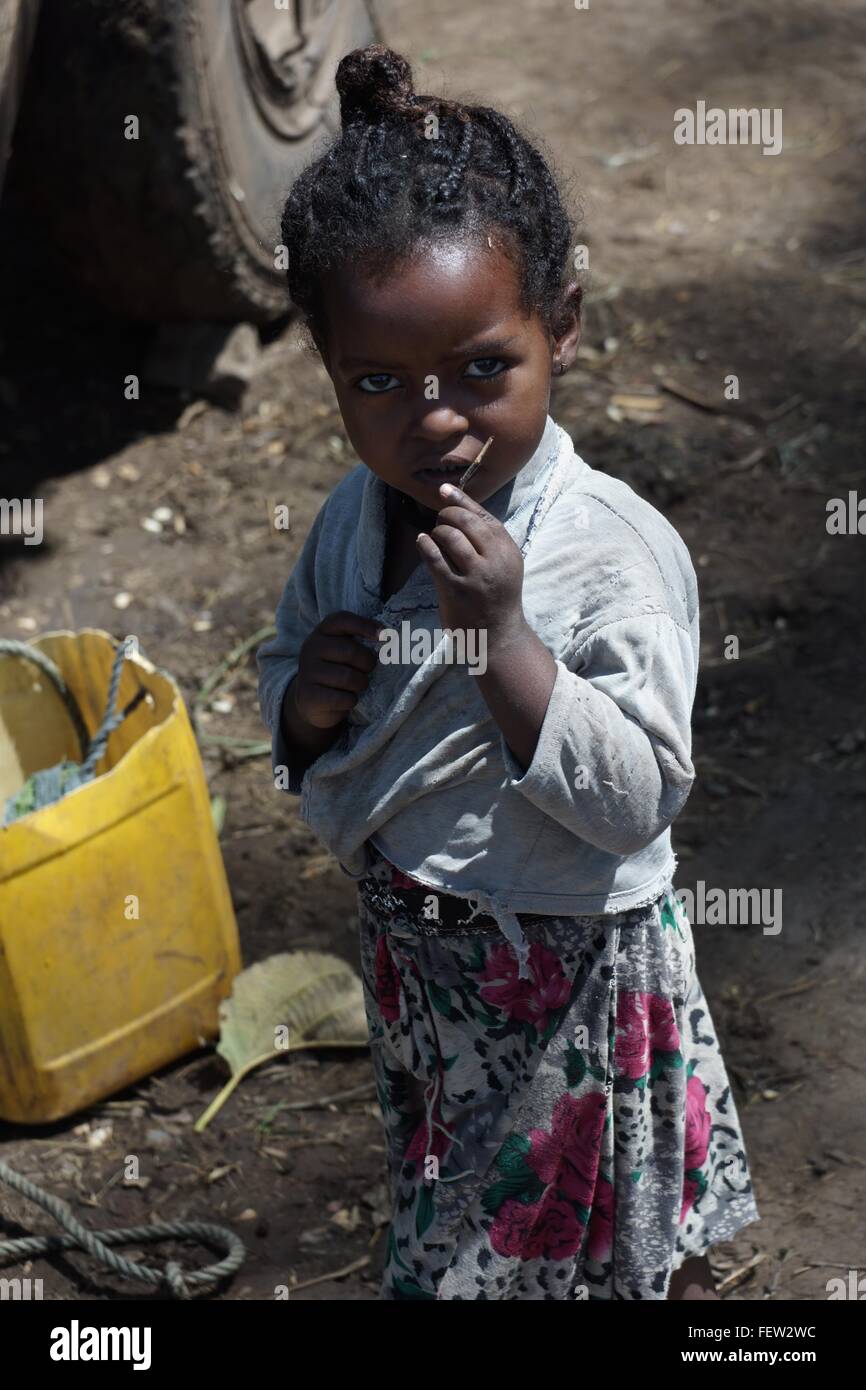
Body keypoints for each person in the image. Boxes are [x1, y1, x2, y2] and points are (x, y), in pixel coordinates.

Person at [257, 44, 759, 1301]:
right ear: (327, 371)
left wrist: (501, 643)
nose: (433, 421)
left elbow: (637, 795)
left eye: (482, 368)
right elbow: (291, 692)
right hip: (428, 975)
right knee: (475, 1220)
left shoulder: (609, 555)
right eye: (378, 383)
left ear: (562, 330)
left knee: (620, 1237)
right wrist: (307, 702)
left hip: (573, 977)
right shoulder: (347, 525)